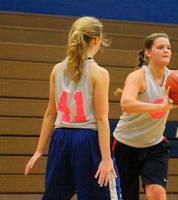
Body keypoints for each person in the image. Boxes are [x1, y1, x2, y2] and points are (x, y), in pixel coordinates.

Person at [24, 16, 122, 200]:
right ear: (96, 40)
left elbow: (50, 113)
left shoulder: (56, 69)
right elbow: (101, 119)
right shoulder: (99, 73)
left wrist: (39, 150)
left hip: (60, 139)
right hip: (87, 140)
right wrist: (106, 158)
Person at [112, 32, 178, 200]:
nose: (166, 50)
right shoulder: (138, 76)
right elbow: (126, 104)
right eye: (160, 47)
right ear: (148, 52)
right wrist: (160, 106)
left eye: (169, 47)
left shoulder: (176, 79)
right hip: (125, 145)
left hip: (155, 146)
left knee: (157, 193)